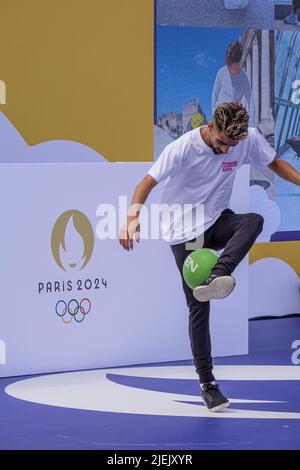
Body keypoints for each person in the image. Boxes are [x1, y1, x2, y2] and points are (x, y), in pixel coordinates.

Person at [118, 102, 300, 413]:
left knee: (253, 221)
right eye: (221, 143)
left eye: (232, 145)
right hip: (184, 231)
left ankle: (219, 274)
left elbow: (275, 164)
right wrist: (132, 217)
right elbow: (145, 183)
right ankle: (208, 384)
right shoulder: (182, 148)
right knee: (198, 308)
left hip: (215, 219)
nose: (225, 150)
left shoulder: (247, 139)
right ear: (212, 126)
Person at [212, 41, 255, 127]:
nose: (229, 68)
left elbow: (251, 102)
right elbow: (214, 94)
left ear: (239, 63)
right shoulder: (222, 72)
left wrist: (251, 126)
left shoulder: (244, 79)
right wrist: (213, 113)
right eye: (228, 65)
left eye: (231, 65)